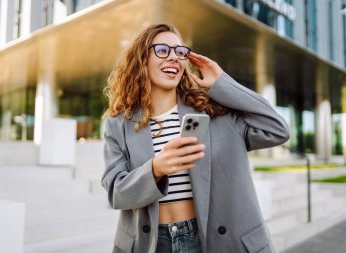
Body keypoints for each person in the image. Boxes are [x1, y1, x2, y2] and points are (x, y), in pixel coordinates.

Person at [101, 23, 290, 253]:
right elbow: (115, 192)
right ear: (142, 58)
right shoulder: (117, 123)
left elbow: (277, 129)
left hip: (209, 240)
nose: (173, 58)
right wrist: (156, 169)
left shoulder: (215, 112)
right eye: (162, 50)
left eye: (180, 52)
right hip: (152, 244)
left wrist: (222, 82)